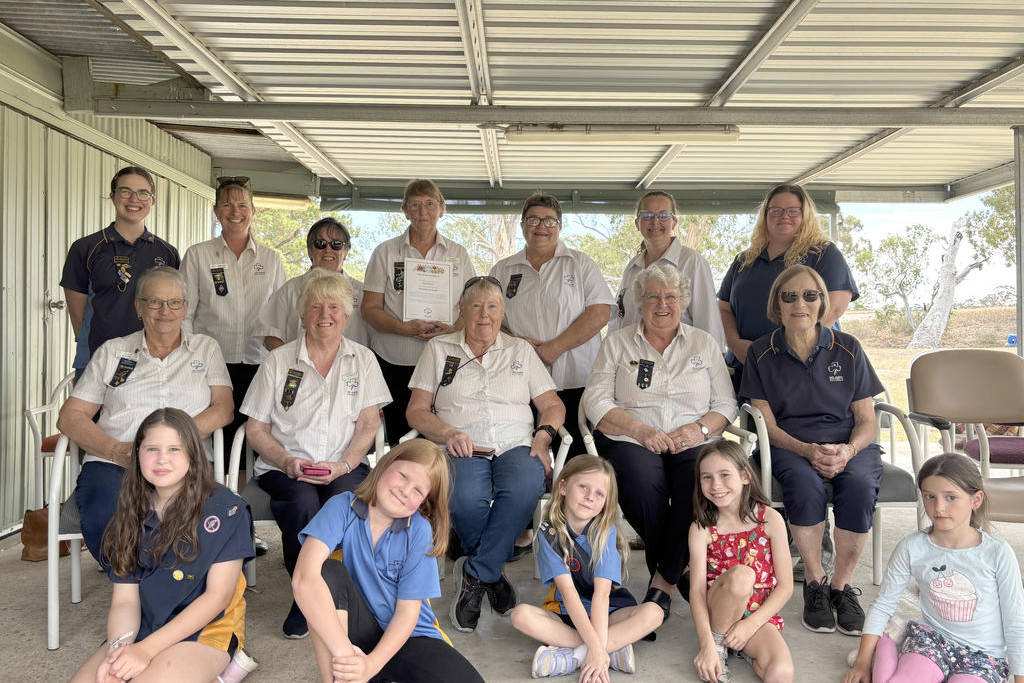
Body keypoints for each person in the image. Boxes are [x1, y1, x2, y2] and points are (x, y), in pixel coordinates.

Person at [406, 275, 565, 633]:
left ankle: (476, 573)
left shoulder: (520, 351)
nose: (483, 315)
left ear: (502, 311)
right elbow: (416, 410)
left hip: (517, 445)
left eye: (492, 306)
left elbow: (552, 404)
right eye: (475, 306)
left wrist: (543, 437)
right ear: (460, 310)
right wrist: (447, 432)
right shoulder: (438, 349)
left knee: (525, 487)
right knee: (463, 497)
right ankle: (491, 574)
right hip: (462, 446)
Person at [241, 269, 392, 639]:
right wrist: (287, 461)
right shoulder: (277, 362)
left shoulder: (364, 359)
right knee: (304, 506)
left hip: (343, 465)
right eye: (315, 306)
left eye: (334, 307)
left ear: (347, 314)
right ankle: (305, 596)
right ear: (302, 314)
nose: (325, 314)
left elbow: (368, 424)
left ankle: (333, 592)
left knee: (344, 500)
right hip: (285, 466)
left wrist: (344, 463)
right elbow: (255, 429)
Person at [583, 264, 736, 621]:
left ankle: (660, 586)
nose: (662, 304)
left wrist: (697, 431)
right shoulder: (618, 343)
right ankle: (674, 571)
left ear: (682, 301)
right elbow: (596, 400)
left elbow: (726, 404)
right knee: (640, 485)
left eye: (670, 296)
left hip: (693, 440)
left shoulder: (703, 343)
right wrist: (639, 431)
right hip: (632, 438)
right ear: (639, 303)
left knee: (695, 486)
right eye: (652, 296)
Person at [740, 264, 883, 637]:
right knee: (804, 488)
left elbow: (868, 420)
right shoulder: (760, 352)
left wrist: (848, 450)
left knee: (859, 488)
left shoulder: (848, 347)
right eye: (789, 296)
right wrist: (806, 449)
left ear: (822, 302)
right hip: (788, 444)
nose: (799, 303)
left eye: (810, 295)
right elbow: (765, 424)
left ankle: (842, 587)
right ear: (777, 305)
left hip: (848, 443)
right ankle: (816, 583)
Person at [57, 266, 233, 562]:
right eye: (154, 302)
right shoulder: (112, 351)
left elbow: (223, 408)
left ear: (185, 308)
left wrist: (175, 442)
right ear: (139, 307)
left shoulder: (206, 349)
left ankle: (163, 587)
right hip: (117, 462)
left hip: (185, 460)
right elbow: (70, 416)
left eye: (174, 302)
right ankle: (137, 583)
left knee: (200, 521)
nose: (165, 310)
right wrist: (116, 450)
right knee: (104, 513)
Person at [70, 408, 254, 683]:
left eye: (174, 449)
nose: (162, 459)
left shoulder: (226, 509)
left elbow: (217, 598)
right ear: (137, 456)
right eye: (151, 449)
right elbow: (124, 601)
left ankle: (222, 671)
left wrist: (146, 651)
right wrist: (118, 650)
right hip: (146, 627)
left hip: (206, 631)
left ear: (193, 456)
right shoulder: (129, 511)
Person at [292, 439, 485, 683]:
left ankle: (377, 675)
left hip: (409, 637)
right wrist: (350, 659)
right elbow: (303, 580)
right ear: (384, 465)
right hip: (356, 634)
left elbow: (407, 613)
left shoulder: (418, 530)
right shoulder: (342, 506)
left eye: (418, 490)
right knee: (326, 574)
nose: (405, 490)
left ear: (424, 501)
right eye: (403, 476)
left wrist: (371, 665)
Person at [844, 453, 1024, 683]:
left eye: (951, 497)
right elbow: (883, 604)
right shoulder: (912, 547)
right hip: (932, 641)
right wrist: (861, 663)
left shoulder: (998, 553)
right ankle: (885, 642)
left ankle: (889, 640)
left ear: (976, 500)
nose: (938, 507)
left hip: (983, 655)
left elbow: (1015, 620)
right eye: (930, 496)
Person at [510, 455, 663, 680]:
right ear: (563, 486)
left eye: (599, 493)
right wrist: (598, 647)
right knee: (520, 615)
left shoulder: (605, 531)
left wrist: (594, 649)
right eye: (583, 487)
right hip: (567, 612)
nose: (590, 497)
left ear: (605, 502)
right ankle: (610, 650)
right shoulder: (548, 533)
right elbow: (570, 594)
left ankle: (576, 657)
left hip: (609, 611)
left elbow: (602, 596)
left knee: (654, 612)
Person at [489, 192, 614, 450]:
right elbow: (489, 318)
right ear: (522, 225)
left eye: (549, 221)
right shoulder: (502, 270)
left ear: (560, 226)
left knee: (576, 456)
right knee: (526, 453)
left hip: (574, 379)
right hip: (519, 382)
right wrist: (519, 344)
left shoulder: (581, 264)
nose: (541, 227)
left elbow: (600, 312)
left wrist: (554, 348)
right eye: (533, 220)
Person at [181, 176, 286, 466]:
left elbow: (279, 316)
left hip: (258, 364)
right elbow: (184, 312)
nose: (235, 211)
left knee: (252, 439)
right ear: (216, 212)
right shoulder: (198, 255)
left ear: (253, 211)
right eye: (227, 205)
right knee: (212, 440)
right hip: (210, 362)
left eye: (242, 205)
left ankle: (241, 501)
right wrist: (191, 353)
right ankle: (210, 498)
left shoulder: (272, 259)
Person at [362, 179, 475, 443]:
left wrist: (455, 329)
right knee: (402, 439)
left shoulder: (459, 254)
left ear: (441, 209)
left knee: (444, 435)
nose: (423, 211)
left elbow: (471, 306)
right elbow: (369, 309)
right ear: (405, 210)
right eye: (415, 205)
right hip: (394, 361)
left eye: (429, 204)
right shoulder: (385, 252)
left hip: (444, 360)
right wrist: (402, 328)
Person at [717, 183, 857, 392]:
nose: (784, 216)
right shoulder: (744, 260)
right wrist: (736, 345)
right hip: (747, 364)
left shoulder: (822, 253)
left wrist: (795, 349)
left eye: (793, 210)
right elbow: (723, 308)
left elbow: (835, 307)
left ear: (805, 214)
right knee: (753, 423)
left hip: (803, 365)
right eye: (776, 210)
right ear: (765, 215)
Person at [689, 441, 794, 683]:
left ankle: (741, 645)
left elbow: (786, 586)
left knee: (782, 672)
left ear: (745, 476)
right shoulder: (701, 529)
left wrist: (750, 626)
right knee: (742, 575)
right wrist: (706, 644)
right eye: (707, 477)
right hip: (719, 610)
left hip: (758, 614)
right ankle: (718, 644)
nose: (716, 485)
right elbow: (696, 591)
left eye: (724, 475)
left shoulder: (770, 519)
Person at [61, 166, 181, 374]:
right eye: (125, 191)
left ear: (152, 200)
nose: (134, 199)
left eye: (143, 193)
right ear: (113, 197)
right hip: (98, 359)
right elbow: (78, 317)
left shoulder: (167, 253)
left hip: (153, 363)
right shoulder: (86, 248)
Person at [609, 190, 726, 351]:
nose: (655, 221)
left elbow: (708, 323)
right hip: (632, 363)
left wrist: (711, 366)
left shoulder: (692, 262)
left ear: (674, 222)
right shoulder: (632, 267)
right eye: (647, 215)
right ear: (637, 223)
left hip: (679, 364)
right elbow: (620, 320)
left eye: (663, 215)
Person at [258, 216, 370, 349]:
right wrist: (290, 365)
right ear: (310, 251)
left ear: (345, 252)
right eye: (320, 244)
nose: (328, 250)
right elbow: (271, 335)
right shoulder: (289, 290)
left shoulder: (364, 294)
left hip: (352, 368)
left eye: (336, 244)